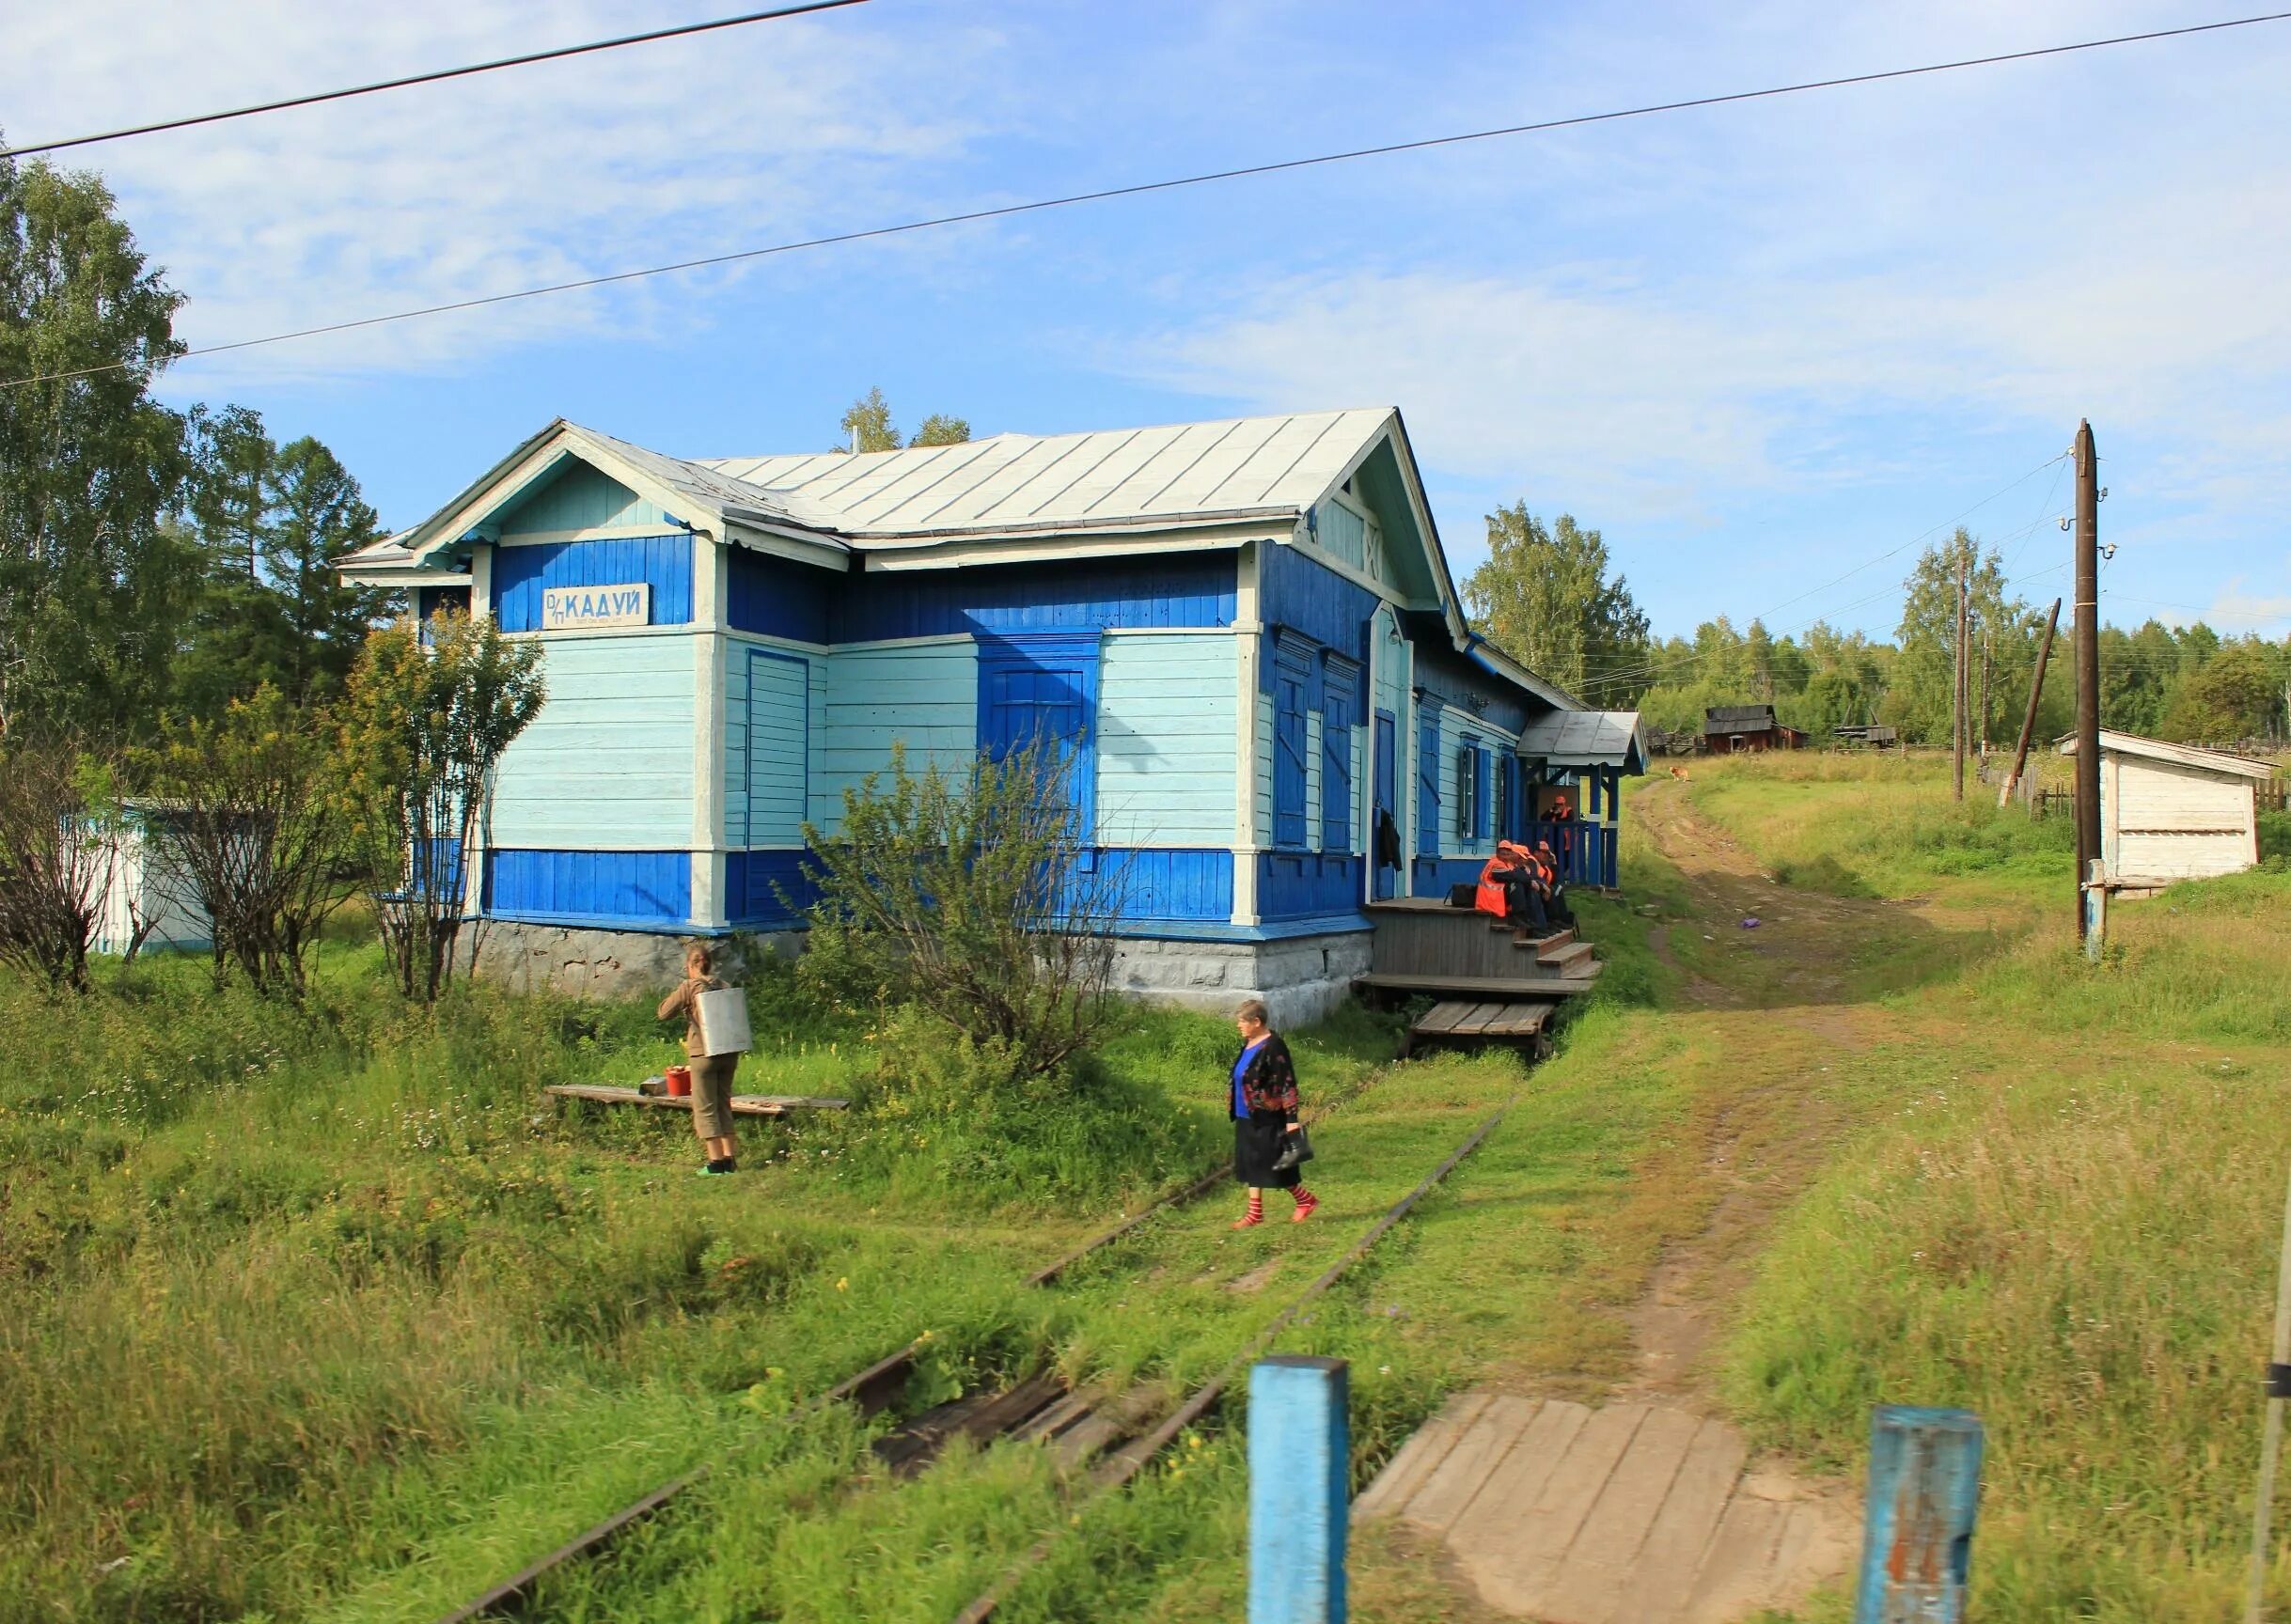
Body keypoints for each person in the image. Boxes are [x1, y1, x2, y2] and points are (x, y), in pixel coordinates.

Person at [1229, 998, 1318, 1227]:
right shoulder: (1249, 1042)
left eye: (1242, 1022)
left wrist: (1291, 1120)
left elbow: (1287, 1083)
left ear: (1256, 1021)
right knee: (1250, 1161)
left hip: (1268, 1116)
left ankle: (1304, 1200)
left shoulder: (1274, 1046)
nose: (1239, 1026)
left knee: (1273, 1162)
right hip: (1246, 1114)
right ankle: (1255, 1213)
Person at [657, 942, 741, 1177]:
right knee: (723, 1103)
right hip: (729, 1052)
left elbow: (663, 1012)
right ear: (710, 964)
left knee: (704, 1107)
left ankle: (715, 1163)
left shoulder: (690, 986)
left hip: (703, 1054)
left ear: (690, 966)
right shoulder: (725, 985)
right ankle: (730, 1160)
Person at [1534, 840, 1577, 929]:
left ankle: (1563, 918)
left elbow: (1553, 880)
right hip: (1537, 891)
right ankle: (1554, 919)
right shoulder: (1532, 862)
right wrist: (1544, 886)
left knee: (1558, 888)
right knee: (1553, 889)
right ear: (1536, 853)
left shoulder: (1544, 866)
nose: (1546, 855)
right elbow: (1534, 878)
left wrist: (1554, 862)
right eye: (1543, 852)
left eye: (1547, 853)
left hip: (1546, 892)